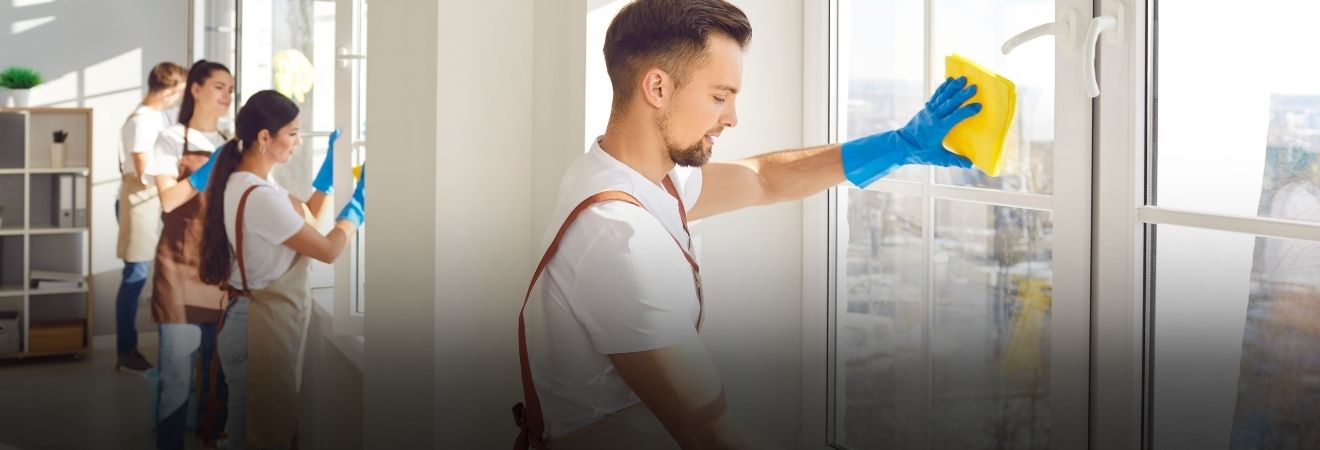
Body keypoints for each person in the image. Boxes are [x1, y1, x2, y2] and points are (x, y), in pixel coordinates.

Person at [513, 0, 980, 448]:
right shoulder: (619, 237)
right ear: (657, 88)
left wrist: (898, 145)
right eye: (720, 97)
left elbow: (762, 179)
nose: (732, 118)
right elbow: (713, 437)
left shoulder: (629, 175)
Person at [199, 90, 365, 450]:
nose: (299, 142)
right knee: (261, 437)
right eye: (292, 133)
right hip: (256, 328)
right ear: (265, 137)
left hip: (248, 321)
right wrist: (358, 207)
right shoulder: (260, 196)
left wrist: (327, 180)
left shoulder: (246, 183)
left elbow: (308, 217)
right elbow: (328, 250)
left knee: (254, 433)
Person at [141, 59, 234, 450]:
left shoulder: (231, 142)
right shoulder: (170, 139)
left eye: (231, 89)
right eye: (219, 87)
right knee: (176, 379)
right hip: (178, 271)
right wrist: (205, 171)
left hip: (219, 272)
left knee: (217, 378)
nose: (227, 95)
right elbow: (167, 201)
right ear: (195, 89)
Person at [114, 61, 186, 372]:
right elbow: (145, 172)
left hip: (149, 204)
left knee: (143, 276)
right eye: (180, 91)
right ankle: (126, 351)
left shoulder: (156, 117)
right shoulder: (142, 121)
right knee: (135, 278)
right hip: (139, 204)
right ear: (168, 91)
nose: (180, 98)